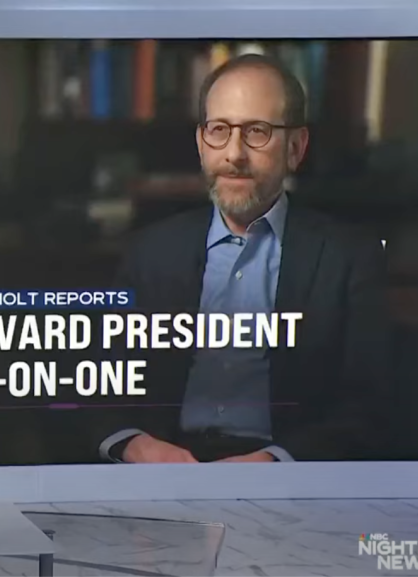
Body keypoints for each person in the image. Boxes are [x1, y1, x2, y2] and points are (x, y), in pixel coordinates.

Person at [98, 53, 388, 463]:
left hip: (288, 483)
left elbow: (368, 410)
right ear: (201, 144)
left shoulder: (348, 257)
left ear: (296, 147)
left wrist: (275, 463)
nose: (234, 153)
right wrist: (134, 445)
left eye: (257, 131)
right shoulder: (150, 251)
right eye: (219, 130)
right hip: (163, 472)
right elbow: (99, 386)